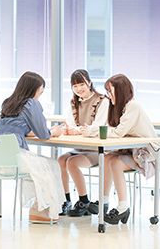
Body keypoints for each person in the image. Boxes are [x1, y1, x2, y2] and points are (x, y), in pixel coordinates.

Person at [86, 74, 159, 225]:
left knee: (115, 163)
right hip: (132, 150)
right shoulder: (119, 107)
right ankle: (104, 201)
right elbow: (112, 130)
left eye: (110, 91)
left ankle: (123, 207)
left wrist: (92, 131)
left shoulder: (133, 106)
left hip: (148, 155)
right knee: (106, 158)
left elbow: (117, 133)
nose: (108, 95)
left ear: (121, 91)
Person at [0, 71, 64, 223]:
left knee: (41, 167)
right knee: (51, 165)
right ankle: (40, 210)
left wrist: (44, 132)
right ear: (34, 89)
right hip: (16, 159)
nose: (41, 93)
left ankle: (38, 208)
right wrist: (54, 132)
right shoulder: (32, 103)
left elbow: (16, 128)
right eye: (41, 90)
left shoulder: (8, 102)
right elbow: (43, 134)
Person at [57, 69, 109, 216]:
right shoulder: (74, 101)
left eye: (81, 84)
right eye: (75, 86)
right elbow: (70, 123)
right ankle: (65, 200)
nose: (79, 89)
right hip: (80, 147)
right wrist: (72, 130)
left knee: (71, 163)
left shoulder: (102, 101)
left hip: (96, 149)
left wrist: (77, 130)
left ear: (89, 83)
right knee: (61, 160)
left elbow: (99, 125)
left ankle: (83, 201)